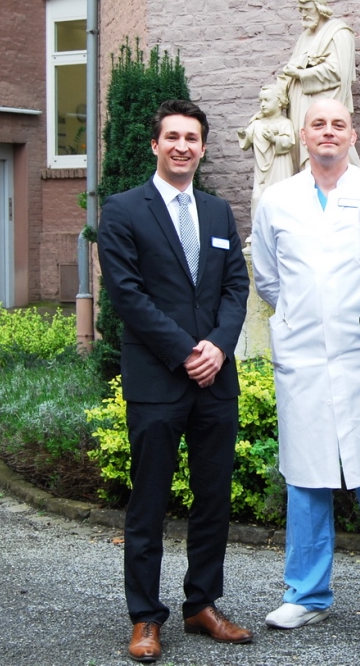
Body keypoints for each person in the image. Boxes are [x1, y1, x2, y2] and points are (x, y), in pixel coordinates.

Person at [250, 98, 360, 633]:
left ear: (352, 134)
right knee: (305, 476)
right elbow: (270, 279)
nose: (328, 132)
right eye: (318, 124)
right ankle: (307, 592)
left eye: (337, 124)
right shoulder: (277, 200)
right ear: (303, 135)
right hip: (302, 360)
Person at [98, 99, 253, 662]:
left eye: (192, 138)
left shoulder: (217, 213)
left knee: (212, 499)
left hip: (215, 379)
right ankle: (145, 617)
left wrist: (218, 345)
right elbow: (127, 295)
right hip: (159, 380)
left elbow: (236, 286)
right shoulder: (123, 210)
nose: (183, 146)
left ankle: (201, 605)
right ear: (155, 145)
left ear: (204, 147)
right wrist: (186, 350)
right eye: (173, 137)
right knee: (149, 501)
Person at [278, 0, 359, 170]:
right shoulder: (305, 36)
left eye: (307, 10)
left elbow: (339, 73)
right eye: (301, 11)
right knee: (305, 153)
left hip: (322, 104)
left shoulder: (339, 33)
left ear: (319, 8)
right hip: (299, 105)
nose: (303, 15)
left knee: (328, 152)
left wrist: (300, 74)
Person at [236, 82, 295, 222]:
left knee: (281, 196)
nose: (262, 104)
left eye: (267, 100)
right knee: (258, 197)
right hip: (262, 172)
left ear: (280, 102)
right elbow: (245, 143)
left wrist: (274, 139)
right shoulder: (257, 124)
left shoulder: (285, 123)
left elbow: (290, 142)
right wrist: (243, 133)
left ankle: (283, 226)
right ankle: (257, 231)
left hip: (280, 167)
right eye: (260, 101)